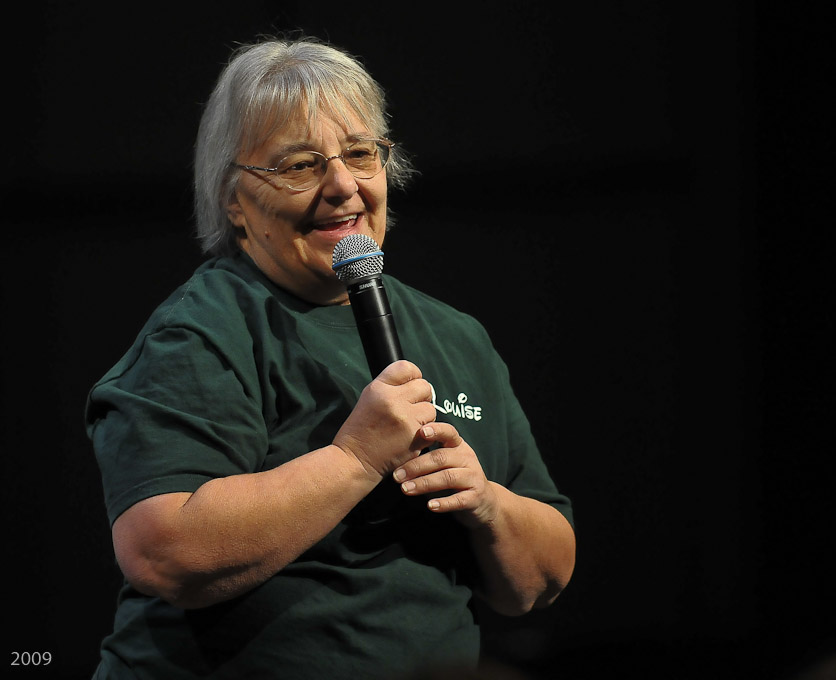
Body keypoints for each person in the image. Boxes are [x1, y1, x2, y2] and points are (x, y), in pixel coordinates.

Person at [85, 36, 576, 680]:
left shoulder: (456, 336)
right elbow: (162, 553)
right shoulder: (200, 332)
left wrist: (485, 504)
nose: (343, 186)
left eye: (360, 154)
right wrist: (355, 458)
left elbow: (543, 576)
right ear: (235, 200)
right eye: (300, 165)